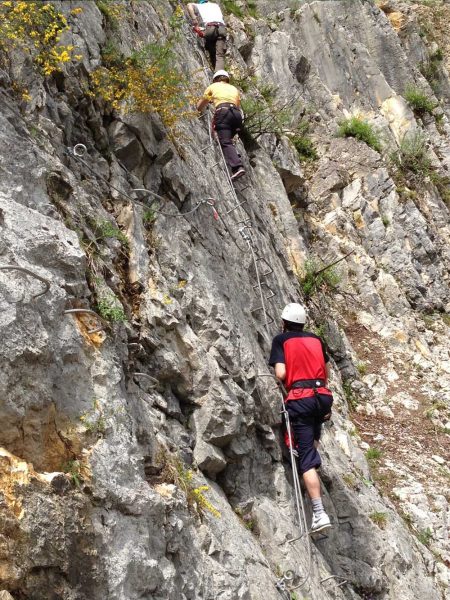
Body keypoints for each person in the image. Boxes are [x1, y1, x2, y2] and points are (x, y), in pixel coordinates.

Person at [269, 303, 333, 533]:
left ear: (284, 323)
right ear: (303, 323)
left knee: (306, 458)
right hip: (322, 397)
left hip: (301, 399)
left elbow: (281, 374)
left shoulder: (281, 340)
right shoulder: (316, 340)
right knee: (311, 444)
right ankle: (309, 456)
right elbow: (325, 372)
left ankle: (319, 512)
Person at [197, 70, 246, 181]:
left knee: (225, 141)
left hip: (223, 113)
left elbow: (201, 105)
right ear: (226, 79)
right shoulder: (233, 89)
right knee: (228, 138)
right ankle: (234, 154)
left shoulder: (213, 86)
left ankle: (237, 167)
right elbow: (237, 105)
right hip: (236, 115)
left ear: (215, 79)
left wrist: (198, 108)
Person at [187, 0, 227, 71]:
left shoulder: (199, 6)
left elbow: (189, 6)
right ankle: (220, 76)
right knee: (219, 55)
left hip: (210, 29)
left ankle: (215, 72)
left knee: (211, 49)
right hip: (221, 29)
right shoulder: (216, 5)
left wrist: (194, 20)